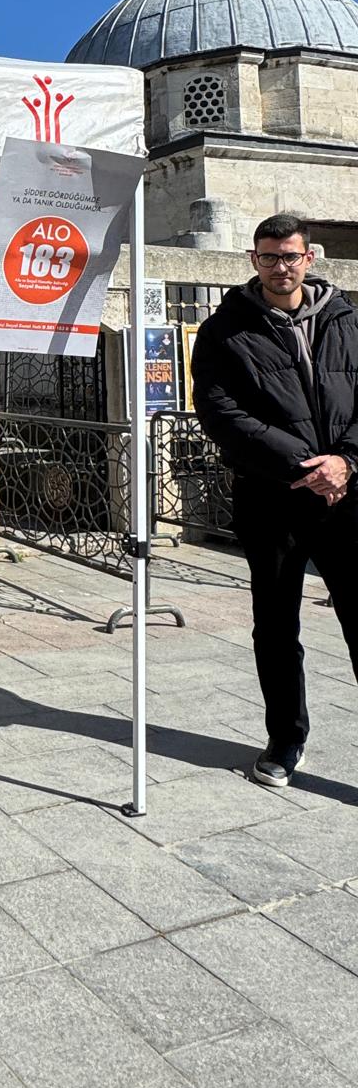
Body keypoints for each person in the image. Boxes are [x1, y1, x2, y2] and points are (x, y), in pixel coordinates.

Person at [192, 212, 358, 789]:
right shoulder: (224, 330)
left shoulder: (347, 319)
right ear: (253, 261)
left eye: (290, 256)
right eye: (269, 257)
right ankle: (286, 739)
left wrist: (344, 462)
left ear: (309, 258)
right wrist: (303, 465)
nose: (280, 266)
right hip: (272, 497)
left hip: (347, 495)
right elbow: (220, 413)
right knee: (276, 625)